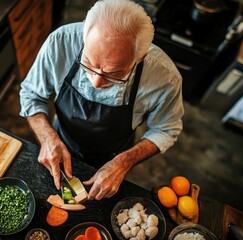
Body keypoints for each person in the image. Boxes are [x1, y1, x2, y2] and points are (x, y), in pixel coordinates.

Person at [19, 0, 184, 201]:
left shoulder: (164, 77)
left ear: (139, 58)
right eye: (88, 63)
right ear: (85, 37)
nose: (96, 82)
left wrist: (123, 162)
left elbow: (165, 129)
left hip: (113, 157)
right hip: (60, 141)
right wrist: (47, 137)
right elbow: (31, 94)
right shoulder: (61, 41)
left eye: (114, 74)